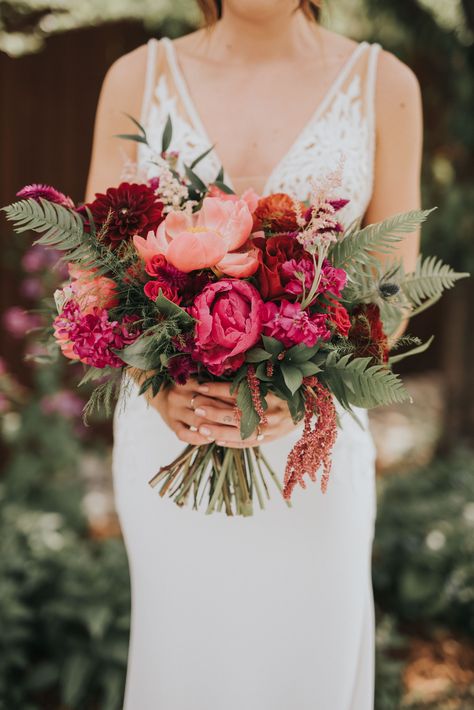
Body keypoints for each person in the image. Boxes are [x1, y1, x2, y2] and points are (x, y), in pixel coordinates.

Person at [85, 1, 422, 707]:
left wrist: (298, 393)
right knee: (186, 664)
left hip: (313, 452)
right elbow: (98, 269)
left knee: (308, 668)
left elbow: (392, 292)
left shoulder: (384, 83)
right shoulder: (133, 77)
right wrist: (158, 387)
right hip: (168, 430)